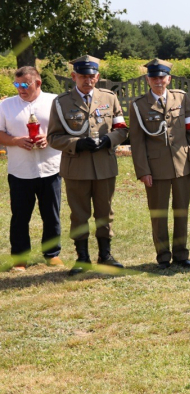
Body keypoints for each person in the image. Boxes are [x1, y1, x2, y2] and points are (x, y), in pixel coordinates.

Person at [47, 55, 129, 274]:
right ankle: (82, 257)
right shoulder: (61, 102)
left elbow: (122, 129)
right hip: (77, 167)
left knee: (105, 212)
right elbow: (53, 138)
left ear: (97, 76)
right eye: (83, 76)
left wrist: (108, 140)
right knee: (79, 214)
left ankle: (106, 255)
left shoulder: (109, 98)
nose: (87, 80)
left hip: (104, 165)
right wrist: (77, 143)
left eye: (91, 76)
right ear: (74, 76)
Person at [129, 59, 190, 268]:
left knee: (182, 211)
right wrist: (143, 170)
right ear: (147, 79)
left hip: (182, 164)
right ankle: (163, 256)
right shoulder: (139, 105)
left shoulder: (182, 98)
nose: (158, 81)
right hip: (155, 168)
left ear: (169, 79)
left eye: (162, 77)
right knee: (159, 213)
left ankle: (181, 254)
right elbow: (137, 141)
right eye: (154, 77)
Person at [0, 66, 63, 270]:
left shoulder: (55, 102)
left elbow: (65, 130)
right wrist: (15, 140)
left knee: (51, 214)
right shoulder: (5, 106)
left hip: (50, 168)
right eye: (17, 84)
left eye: (25, 84)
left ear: (38, 83)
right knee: (20, 216)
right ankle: (20, 258)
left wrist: (49, 139)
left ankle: (52, 254)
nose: (20, 89)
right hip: (20, 170)